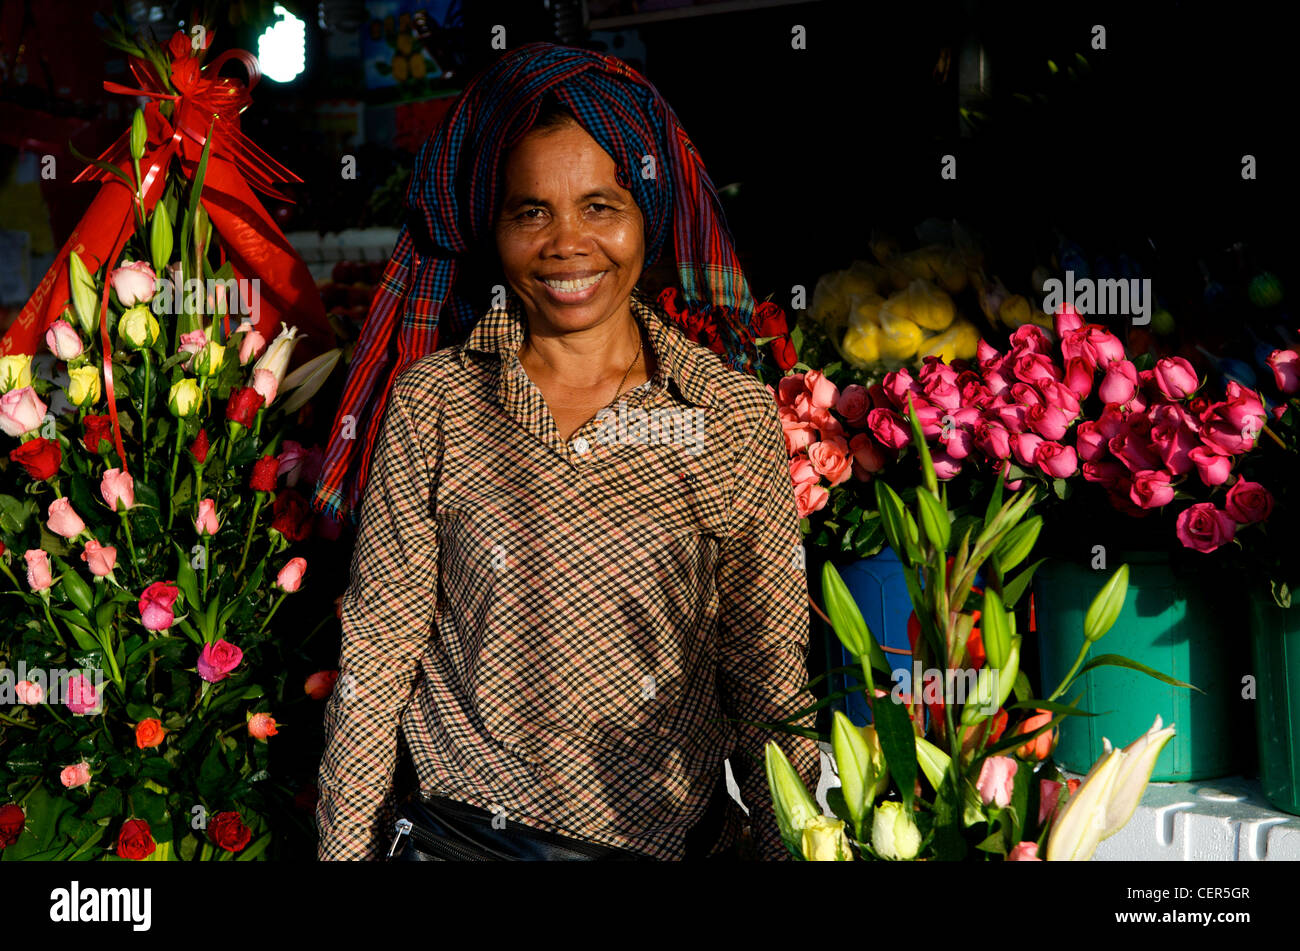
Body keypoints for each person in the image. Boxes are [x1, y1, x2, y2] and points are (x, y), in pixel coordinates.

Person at [312, 41, 821, 861]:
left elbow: (768, 680)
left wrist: (793, 848)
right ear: (494, 226)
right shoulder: (436, 402)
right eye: (531, 212)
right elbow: (376, 661)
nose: (566, 243)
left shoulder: (726, 415)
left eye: (600, 207)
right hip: (466, 846)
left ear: (646, 217)